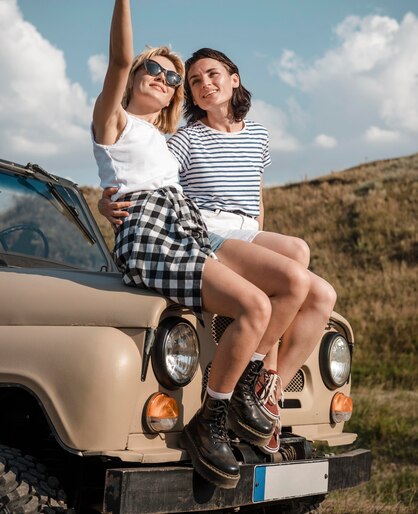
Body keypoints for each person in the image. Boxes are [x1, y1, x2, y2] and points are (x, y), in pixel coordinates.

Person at [92, 0, 313, 489]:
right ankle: (208, 420)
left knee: (292, 281)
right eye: (154, 69)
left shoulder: (169, 142)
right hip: (149, 230)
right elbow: (118, 61)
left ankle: (244, 394)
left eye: (171, 77)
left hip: (186, 223)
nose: (161, 78)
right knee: (253, 305)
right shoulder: (113, 121)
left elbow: (204, 180)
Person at [100, 47, 337, 455]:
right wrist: (108, 204)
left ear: (234, 78)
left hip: (248, 230)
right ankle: (254, 383)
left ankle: (268, 388)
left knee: (321, 291)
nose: (203, 84)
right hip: (207, 228)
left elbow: (257, 197)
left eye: (211, 75)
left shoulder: (259, 135)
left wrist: (260, 233)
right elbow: (147, 174)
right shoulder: (184, 138)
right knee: (295, 261)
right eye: (193, 81)